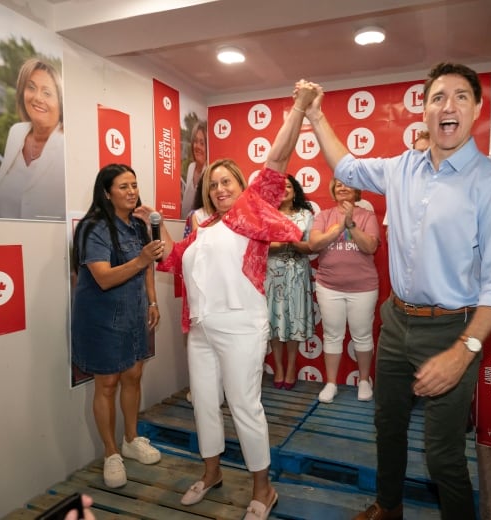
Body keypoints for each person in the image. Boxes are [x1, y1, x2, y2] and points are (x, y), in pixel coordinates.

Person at [301, 63, 491, 520]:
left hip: (454, 330)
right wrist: (317, 115)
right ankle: (389, 507)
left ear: (477, 109)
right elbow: (346, 166)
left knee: (442, 455)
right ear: (424, 110)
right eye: (438, 97)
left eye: (461, 96)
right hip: (397, 321)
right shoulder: (401, 168)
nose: (449, 106)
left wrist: (463, 352)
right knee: (388, 426)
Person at [149, 82, 319, 520]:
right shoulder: (201, 231)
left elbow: (278, 159)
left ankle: (264, 489)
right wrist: (150, 225)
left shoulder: (249, 212)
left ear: (242, 187)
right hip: (202, 330)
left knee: (245, 406)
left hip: (242, 326)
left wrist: (299, 107)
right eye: (213, 183)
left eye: (227, 182)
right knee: (204, 402)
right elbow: (172, 258)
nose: (220, 188)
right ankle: (212, 474)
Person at [70, 164, 163, 488]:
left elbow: (149, 265)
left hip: (134, 314)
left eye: (134, 185)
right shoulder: (93, 227)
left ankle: (131, 439)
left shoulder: (138, 225)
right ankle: (111, 453)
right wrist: (139, 260)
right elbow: (104, 278)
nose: (132, 191)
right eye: (123, 186)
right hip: (101, 319)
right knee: (107, 384)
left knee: (133, 376)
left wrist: (152, 301)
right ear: (106, 192)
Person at [309, 179, 380, 403]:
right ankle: (331, 383)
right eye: (338, 184)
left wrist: (351, 225)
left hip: (363, 287)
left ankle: (364, 381)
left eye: (347, 184)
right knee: (332, 335)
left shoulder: (367, 216)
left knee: (362, 335)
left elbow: (370, 247)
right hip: (329, 286)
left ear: (357, 190)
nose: (342, 187)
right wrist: (340, 225)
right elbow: (314, 244)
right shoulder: (324, 216)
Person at [0, 57, 65, 220]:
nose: (37, 98)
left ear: (60, 102)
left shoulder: (67, 145)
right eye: (31, 87)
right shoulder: (16, 133)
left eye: (47, 93)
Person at [266, 175, 315, 390]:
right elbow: (261, 246)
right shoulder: (266, 215)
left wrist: (288, 241)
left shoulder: (306, 214)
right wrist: (290, 240)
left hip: (297, 273)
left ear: (295, 191)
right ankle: (277, 367)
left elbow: (310, 245)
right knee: (274, 321)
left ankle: (292, 367)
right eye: (279, 187)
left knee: (295, 319)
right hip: (272, 273)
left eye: (288, 186)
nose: (284, 189)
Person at [180, 121, 208, 219]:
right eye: (195, 141)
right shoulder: (191, 167)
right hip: (184, 224)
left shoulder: (209, 172)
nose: (197, 146)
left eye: (202, 143)